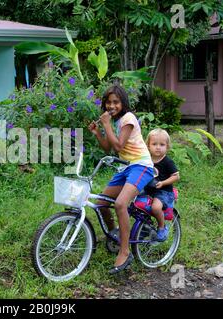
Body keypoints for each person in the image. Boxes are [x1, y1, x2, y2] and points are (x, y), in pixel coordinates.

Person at [88, 85, 154, 274]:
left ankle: (125, 251)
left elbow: (118, 146)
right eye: (108, 102)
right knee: (101, 203)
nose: (111, 105)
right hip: (126, 167)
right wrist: (98, 133)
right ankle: (116, 235)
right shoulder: (117, 122)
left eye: (115, 102)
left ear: (123, 103)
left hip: (141, 166)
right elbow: (108, 148)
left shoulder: (128, 118)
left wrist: (106, 125)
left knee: (120, 204)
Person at [144, 128, 180, 242]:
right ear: (148, 146)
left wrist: (163, 183)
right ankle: (145, 227)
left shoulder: (167, 161)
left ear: (167, 147)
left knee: (155, 208)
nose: (158, 147)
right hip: (149, 190)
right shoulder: (147, 160)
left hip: (164, 191)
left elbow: (176, 176)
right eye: (154, 144)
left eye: (162, 144)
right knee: (136, 206)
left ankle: (162, 227)